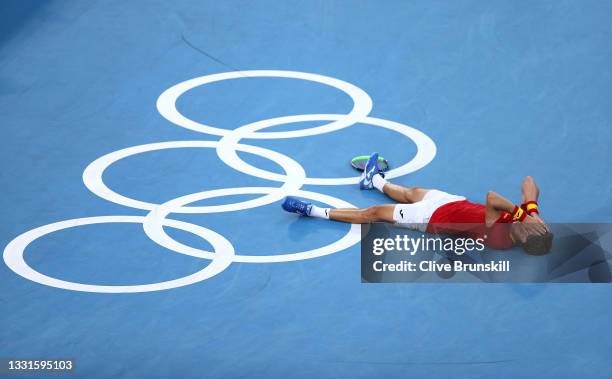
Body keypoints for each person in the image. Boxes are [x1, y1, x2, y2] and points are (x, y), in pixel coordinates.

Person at [282, 153, 553, 254]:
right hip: (451, 202)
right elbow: (530, 181)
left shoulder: (500, 236)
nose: (539, 225)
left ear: (525, 235)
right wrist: (532, 209)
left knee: (374, 213)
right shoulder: (526, 226)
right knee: (411, 191)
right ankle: (374, 182)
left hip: (430, 219)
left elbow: (493, 197)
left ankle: (312, 210)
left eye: (536, 227)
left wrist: (523, 210)